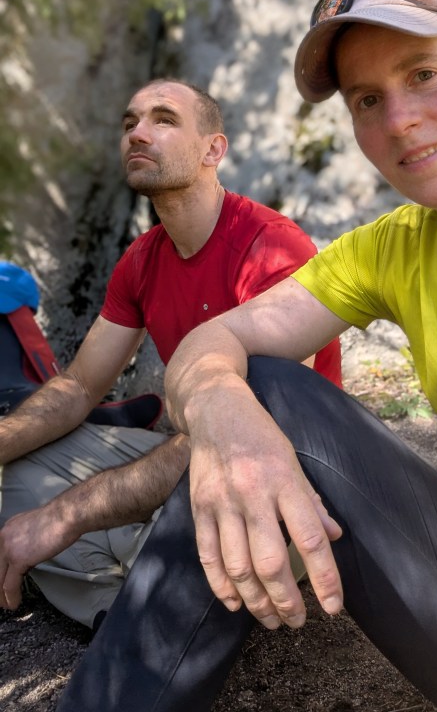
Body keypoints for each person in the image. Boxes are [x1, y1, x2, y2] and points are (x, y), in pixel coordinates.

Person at [54, 0, 437, 712]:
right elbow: (208, 349)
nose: (399, 119)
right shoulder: (390, 251)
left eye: (425, 74)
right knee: (263, 391)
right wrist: (230, 431)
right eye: (369, 98)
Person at [0, 78, 341, 630]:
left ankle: (144, 584)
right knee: (23, 463)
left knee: (77, 515)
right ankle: (128, 605)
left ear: (213, 149)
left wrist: (70, 512)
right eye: (130, 122)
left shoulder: (271, 247)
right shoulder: (142, 259)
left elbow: (253, 431)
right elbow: (83, 386)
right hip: (191, 453)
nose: (138, 132)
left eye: (163, 119)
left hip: (283, 469)